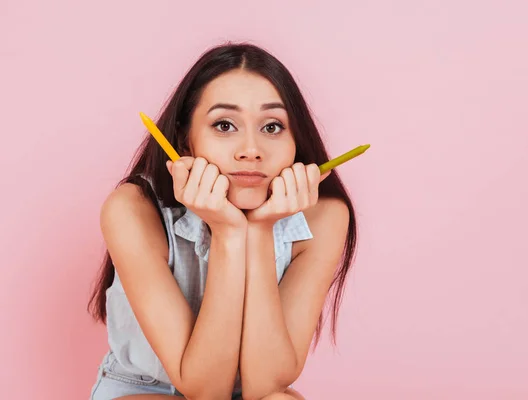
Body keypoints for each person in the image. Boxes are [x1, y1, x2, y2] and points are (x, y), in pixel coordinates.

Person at [87, 42, 357, 400]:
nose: (251, 149)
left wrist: (259, 231)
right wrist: (228, 232)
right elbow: (204, 389)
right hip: (142, 389)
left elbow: (267, 384)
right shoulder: (132, 209)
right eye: (225, 125)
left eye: (272, 127)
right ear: (186, 140)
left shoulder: (324, 215)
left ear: (296, 139)